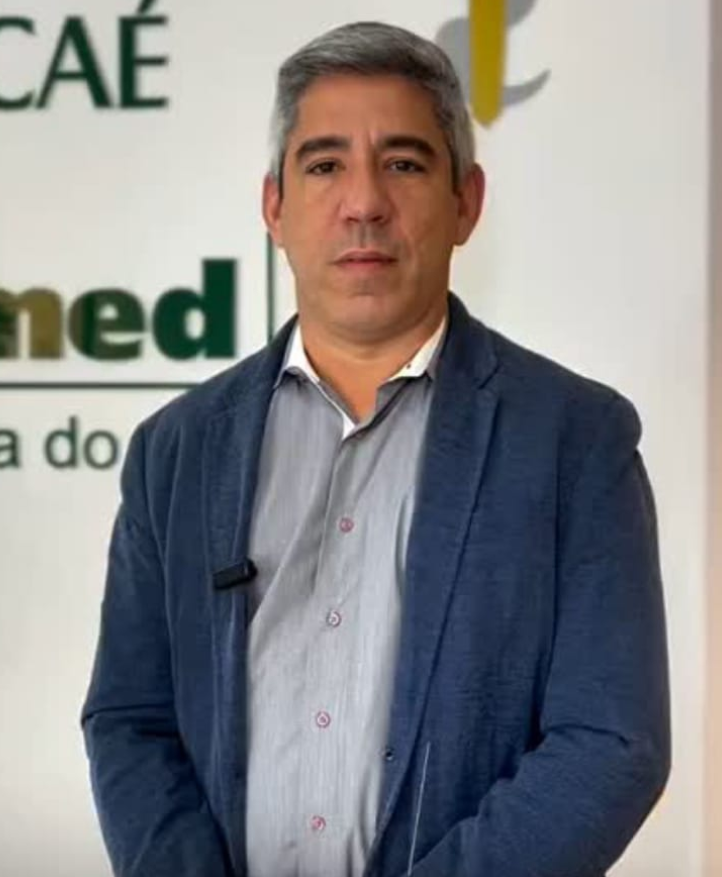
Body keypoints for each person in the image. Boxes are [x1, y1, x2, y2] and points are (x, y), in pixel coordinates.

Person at [81, 20, 671, 877]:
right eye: (324, 165)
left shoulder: (575, 440)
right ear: (274, 206)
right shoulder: (176, 452)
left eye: (403, 163)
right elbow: (130, 719)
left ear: (466, 201)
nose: (363, 202)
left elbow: (611, 741)